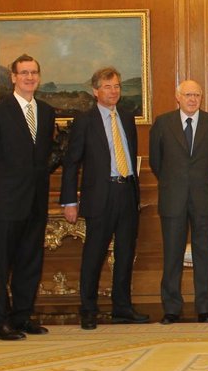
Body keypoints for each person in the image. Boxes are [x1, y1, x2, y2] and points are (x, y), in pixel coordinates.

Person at [0, 54, 56, 341]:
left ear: (39, 77)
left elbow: (42, 158)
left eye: (34, 72)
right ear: (14, 77)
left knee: (30, 262)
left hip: (36, 202)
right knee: (0, 264)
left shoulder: (46, 112)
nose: (30, 77)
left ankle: (22, 316)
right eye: (24, 73)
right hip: (4, 203)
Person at [60, 66, 149, 329]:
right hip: (100, 195)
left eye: (117, 86)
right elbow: (72, 162)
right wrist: (69, 201)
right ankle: (88, 309)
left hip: (127, 191)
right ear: (95, 91)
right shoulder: (85, 121)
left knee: (125, 252)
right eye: (108, 86)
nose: (113, 91)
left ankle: (122, 307)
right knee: (94, 254)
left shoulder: (127, 117)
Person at [149, 79, 208, 324]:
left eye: (197, 95)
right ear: (177, 97)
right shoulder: (163, 123)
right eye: (188, 95)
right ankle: (171, 308)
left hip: (202, 197)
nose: (192, 99)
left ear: (201, 98)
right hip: (173, 198)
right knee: (172, 255)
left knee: (204, 254)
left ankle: (205, 308)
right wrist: (175, 181)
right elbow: (156, 161)